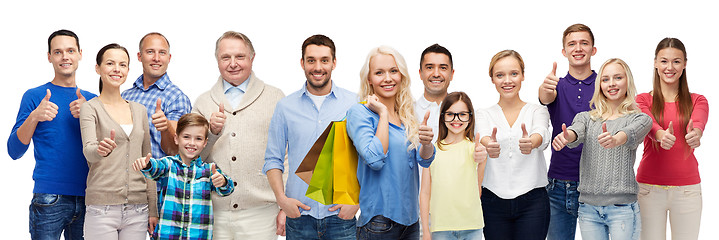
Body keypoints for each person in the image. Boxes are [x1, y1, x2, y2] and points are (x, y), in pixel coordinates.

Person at [263, 34, 358, 239]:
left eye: (324, 60)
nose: (318, 67)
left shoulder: (354, 104)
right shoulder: (285, 107)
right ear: (302, 63)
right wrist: (282, 200)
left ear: (334, 63)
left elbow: (368, 158)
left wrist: (357, 202)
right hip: (299, 217)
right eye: (311, 60)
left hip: (341, 218)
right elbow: (273, 159)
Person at [192, 31, 285, 240]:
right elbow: (192, 159)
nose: (233, 63)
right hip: (215, 212)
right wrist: (212, 133)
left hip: (262, 211)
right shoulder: (203, 101)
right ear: (217, 60)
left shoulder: (275, 97)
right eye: (226, 57)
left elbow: (287, 154)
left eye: (240, 57)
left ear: (252, 58)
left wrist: (284, 205)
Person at [7, 29, 96, 240]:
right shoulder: (35, 96)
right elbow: (14, 150)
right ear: (49, 57)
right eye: (58, 52)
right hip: (49, 198)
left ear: (80, 54)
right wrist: (35, 116)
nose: (65, 56)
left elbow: (106, 150)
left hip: (90, 197)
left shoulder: (93, 101)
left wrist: (89, 114)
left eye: (70, 50)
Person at [553, 58, 651, 240]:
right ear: (600, 85)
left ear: (627, 81)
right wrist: (567, 137)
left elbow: (630, 133)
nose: (612, 84)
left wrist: (616, 139)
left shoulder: (639, 118)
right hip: (588, 209)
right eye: (605, 79)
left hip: (622, 208)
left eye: (618, 78)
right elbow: (577, 131)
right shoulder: (586, 118)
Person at [347, 45, 435, 239]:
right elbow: (375, 159)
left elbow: (425, 160)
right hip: (379, 223)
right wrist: (383, 113)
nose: (388, 78)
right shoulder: (359, 113)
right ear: (369, 79)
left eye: (393, 71)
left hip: (411, 221)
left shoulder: (407, 113)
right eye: (379, 72)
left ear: (401, 75)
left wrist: (427, 143)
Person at [79, 43, 158, 239]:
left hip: (138, 210)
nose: (117, 69)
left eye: (123, 65)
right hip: (101, 209)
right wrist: (100, 149)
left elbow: (148, 162)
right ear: (98, 68)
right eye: (110, 63)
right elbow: (88, 150)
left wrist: (153, 208)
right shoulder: (90, 108)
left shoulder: (140, 110)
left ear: (128, 70)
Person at [635, 38, 708, 240]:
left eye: (676, 61)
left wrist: (697, 134)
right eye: (664, 61)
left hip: (687, 192)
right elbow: (646, 122)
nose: (670, 67)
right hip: (648, 190)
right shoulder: (642, 100)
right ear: (655, 63)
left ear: (684, 64)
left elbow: (699, 120)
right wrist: (659, 134)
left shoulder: (698, 100)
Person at [121, 32, 192, 237]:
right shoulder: (126, 96)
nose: (156, 58)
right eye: (150, 52)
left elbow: (179, 150)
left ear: (169, 58)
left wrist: (166, 128)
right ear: (139, 56)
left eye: (162, 53)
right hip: (127, 188)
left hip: (163, 190)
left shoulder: (176, 97)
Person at [477, 50, 551, 240]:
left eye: (514, 74)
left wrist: (532, 142)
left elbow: (541, 133)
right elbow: (484, 136)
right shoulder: (483, 114)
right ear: (492, 79)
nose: (507, 80)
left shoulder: (538, 110)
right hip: (493, 200)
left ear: (523, 76)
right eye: (500, 75)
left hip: (533, 200)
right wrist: (488, 144)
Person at [537, 23, 597, 240]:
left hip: (596, 184)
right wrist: (544, 89)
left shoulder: (605, 85)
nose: (578, 48)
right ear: (564, 52)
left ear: (593, 49)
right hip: (558, 185)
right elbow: (545, 97)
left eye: (584, 43)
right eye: (572, 44)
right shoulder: (556, 86)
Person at [133, 113, 235, 240]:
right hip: (167, 235)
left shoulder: (209, 170)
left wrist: (223, 182)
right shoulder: (168, 165)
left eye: (198, 139)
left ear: (205, 143)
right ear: (176, 138)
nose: (192, 143)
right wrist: (146, 164)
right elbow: (155, 168)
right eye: (186, 137)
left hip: (198, 236)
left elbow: (228, 189)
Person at [419, 91, 486, 240]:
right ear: (443, 117)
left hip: (472, 227)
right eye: (450, 114)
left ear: (470, 117)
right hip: (441, 229)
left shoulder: (476, 149)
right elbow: (424, 193)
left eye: (462, 114)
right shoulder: (431, 150)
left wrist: (482, 159)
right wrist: (426, 231)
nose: (456, 119)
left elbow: (478, 188)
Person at [416, 43, 454, 142]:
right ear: (420, 74)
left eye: (443, 68)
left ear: (451, 74)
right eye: (429, 67)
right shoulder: (407, 112)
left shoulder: (465, 112)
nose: (436, 74)